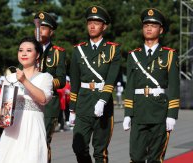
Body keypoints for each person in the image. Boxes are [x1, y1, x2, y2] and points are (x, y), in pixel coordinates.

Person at [123, 8, 180, 163]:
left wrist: (172, 114)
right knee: (136, 157)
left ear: (160, 30)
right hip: (139, 111)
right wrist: (128, 112)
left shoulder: (169, 54)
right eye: (146, 25)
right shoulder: (133, 55)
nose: (149, 28)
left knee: (156, 158)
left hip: (159, 112)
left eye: (153, 25)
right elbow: (130, 86)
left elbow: (174, 86)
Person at [69, 5, 121, 163]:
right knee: (78, 147)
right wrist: (72, 108)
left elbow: (111, 79)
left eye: (96, 23)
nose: (92, 26)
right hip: (83, 102)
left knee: (100, 151)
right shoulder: (78, 51)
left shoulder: (112, 50)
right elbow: (75, 81)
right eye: (89, 22)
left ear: (104, 26)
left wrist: (103, 99)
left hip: (103, 104)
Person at [0, 37, 53, 163]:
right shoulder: (10, 77)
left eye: (29, 50)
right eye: (21, 50)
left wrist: (24, 81)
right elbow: (1, 104)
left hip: (33, 127)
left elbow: (43, 98)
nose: (24, 53)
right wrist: (2, 118)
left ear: (37, 55)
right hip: (12, 130)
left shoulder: (45, 77)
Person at [34, 11, 66, 162]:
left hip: (48, 103)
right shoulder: (29, 49)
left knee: (43, 141)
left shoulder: (58, 53)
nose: (39, 30)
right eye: (37, 27)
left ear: (51, 32)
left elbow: (61, 81)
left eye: (44, 27)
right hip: (29, 103)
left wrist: (44, 82)